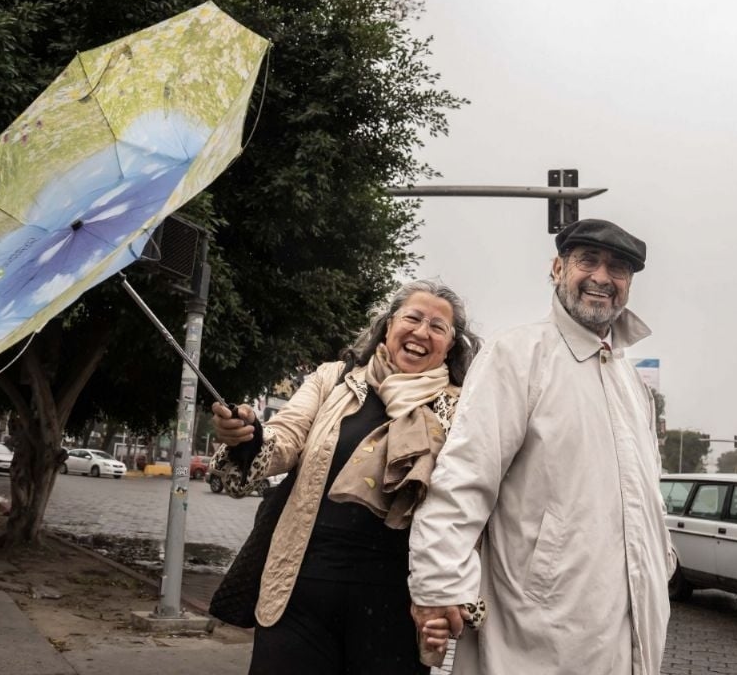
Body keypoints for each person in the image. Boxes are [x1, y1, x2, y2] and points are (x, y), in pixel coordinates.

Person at [409, 219, 674, 674]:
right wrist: (437, 587)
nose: (603, 278)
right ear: (557, 268)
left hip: (629, 628)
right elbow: (464, 481)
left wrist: (661, 560)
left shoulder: (633, 384)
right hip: (535, 631)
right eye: (588, 261)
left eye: (619, 269)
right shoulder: (517, 355)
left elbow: (645, 496)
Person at [210, 279, 482, 674]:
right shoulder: (334, 379)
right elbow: (286, 436)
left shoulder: (463, 408)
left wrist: (453, 595)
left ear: (451, 346)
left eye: (438, 327)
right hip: (300, 594)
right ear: (388, 326)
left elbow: (469, 502)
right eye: (413, 318)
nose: (422, 332)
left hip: (397, 610)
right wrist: (250, 437)